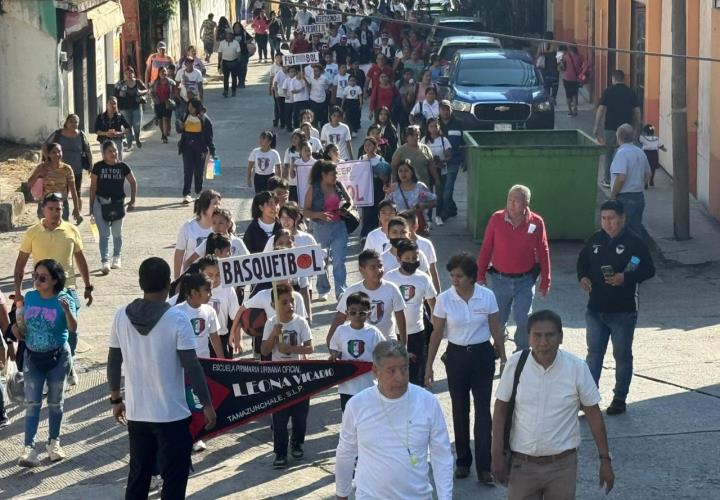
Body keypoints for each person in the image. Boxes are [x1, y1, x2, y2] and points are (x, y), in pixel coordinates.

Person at [107, 257, 216, 498]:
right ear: (169, 284)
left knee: (139, 476)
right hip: (172, 415)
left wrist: (116, 399)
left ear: (140, 282)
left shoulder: (120, 316)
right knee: (174, 478)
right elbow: (192, 366)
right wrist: (207, 404)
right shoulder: (177, 319)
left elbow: (114, 360)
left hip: (137, 414)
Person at [491, 310, 615, 497]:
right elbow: (500, 409)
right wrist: (496, 455)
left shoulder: (576, 368)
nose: (543, 342)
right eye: (537, 335)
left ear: (561, 337)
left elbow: (594, 414)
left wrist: (605, 459)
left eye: (550, 335)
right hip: (522, 466)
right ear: (528, 337)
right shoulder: (516, 364)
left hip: (562, 467)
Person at [425, 253, 507, 484]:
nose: (454, 279)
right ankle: (463, 461)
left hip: (482, 356)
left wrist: (503, 357)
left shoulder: (487, 296)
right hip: (457, 356)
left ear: (471, 277)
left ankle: (484, 467)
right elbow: (436, 333)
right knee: (459, 409)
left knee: (483, 412)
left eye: (459, 275)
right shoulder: (444, 299)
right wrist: (429, 365)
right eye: (452, 275)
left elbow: (495, 328)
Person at [335, 340, 454, 500]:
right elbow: (346, 453)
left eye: (404, 369)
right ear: (375, 371)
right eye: (391, 370)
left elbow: (441, 455)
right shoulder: (357, 405)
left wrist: (445, 497)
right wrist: (342, 494)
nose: (400, 377)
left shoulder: (428, 402)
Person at [577, 199, 655, 415]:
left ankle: (619, 398)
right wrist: (582, 278)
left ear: (622, 218)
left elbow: (648, 269)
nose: (607, 223)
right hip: (595, 310)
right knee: (593, 355)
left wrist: (625, 277)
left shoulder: (634, 243)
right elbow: (582, 263)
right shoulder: (595, 240)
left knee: (621, 356)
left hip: (623, 310)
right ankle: (589, 400)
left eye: (611, 218)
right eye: (604, 218)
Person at [14, 193, 94, 387]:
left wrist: (88, 285)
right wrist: (17, 292)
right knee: (41, 328)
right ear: (43, 209)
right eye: (51, 209)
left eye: (58, 209)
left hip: (67, 289)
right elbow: (21, 263)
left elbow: (80, 259)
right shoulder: (32, 232)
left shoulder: (71, 230)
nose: (55, 213)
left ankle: (68, 362)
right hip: (41, 290)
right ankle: (45, 368)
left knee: (72, 331)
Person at [13, 259, 77, 467]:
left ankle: (53, 443)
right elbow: (20, 326)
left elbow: (73, 328)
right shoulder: (30, 297)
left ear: (55, 280)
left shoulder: (64, 299)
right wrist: (16, 330)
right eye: (35, 276)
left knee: (56, 403)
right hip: (33, 357)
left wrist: (67, 311)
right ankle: (29, 449)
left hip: (58, 358)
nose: (37, 281)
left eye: (42, 278)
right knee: (32, 404)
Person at [476, 185, 551, 352]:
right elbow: (487, 247)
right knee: (498, 319)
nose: (512, 204)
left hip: (525, 280)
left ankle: (521, 353)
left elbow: (543, 251)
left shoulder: (536, 222)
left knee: (524, 319)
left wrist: (546, 280)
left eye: (517, 201)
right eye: (510, 199)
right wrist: (480, 274)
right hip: (500, 279)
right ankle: (497, 349)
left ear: (526, 203)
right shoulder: (496, 219)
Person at [260, 283, 314, 468]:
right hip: (279, 376)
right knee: (280, 417)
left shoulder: (300, 322)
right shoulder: (271, 323)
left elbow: (310, 347)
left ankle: (297, 442)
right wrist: (273, 336)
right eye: (284, 302)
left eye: (292, 301)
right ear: (274, 305)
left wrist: (291, 348)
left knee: (300, 415)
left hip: (298, 374)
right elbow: (264, 351)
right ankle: (280, 453)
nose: (290, 305)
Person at [384, 239, 436, 385]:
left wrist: (437, 325)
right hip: (394, 334)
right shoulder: (389, 278)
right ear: (398, 259)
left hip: (417, 333)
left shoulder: (423, 278)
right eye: (407, 259)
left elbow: (433, 303)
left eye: (414, 258)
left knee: (416, 374)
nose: (412, 261)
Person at [329, 249, 406, 345]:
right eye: (373, 267)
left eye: (380, 266)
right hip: (363, 345)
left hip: (387, 344)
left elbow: (400, 317)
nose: (378, 270)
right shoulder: (352, 291)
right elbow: (339, 318)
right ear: (361, 270)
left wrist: (404, 344)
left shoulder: (392, 288)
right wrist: (330, 342)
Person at [303, 160, 354, 300]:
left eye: (336, 173)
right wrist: (318, 215)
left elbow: (350, 201)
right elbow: (305, 212)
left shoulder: (338, 185)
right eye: (333, 174)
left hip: (339, 227)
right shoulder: (313, 189)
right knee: (320, 261)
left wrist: (346, 209)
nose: (336, 176)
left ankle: (341, 291)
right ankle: (323, 288)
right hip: (320, 228)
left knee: (339, 260)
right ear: (323, 175)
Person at [328, 291, 385, 410]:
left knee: (368, 417)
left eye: (362, 312)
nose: (357, 315)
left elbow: (384, 351)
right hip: (347, 386)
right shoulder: (341, 330)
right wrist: (334, 355)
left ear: (368, 314)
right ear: (347, 313)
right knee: (349, 416)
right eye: (353, 312)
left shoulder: (373, 332)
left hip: (368, 384)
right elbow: (335, 349)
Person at [89, 140, 137, 274]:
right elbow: (93, 188)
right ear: (103, 154)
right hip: (100, 203)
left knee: (117, 233)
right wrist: (91, 206)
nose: (113, 153)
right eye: (109, 151)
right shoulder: (98, 167)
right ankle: (105, 261)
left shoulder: (123, 166)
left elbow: (133, 182)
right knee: (104, 234)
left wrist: (132, 201)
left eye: (115, 150)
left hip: (117, 204)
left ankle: (117, 257)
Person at [593, 69, 642, 188]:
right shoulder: (631, 92)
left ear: (613, 79)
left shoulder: (608, 91)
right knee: (625, 153)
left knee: (609, 153)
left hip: (610, 127)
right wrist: (637, 127)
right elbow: (637, 111)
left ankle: (608, 179)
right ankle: (625, 178)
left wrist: (596, 126)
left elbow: (601, 109)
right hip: (626, 128)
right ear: (624, 79)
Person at [610, 123, 652, 236]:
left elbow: (621, 178)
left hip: (624, 197)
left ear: (618, 137)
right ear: (632, 136)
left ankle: (621, 253)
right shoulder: (640, 152)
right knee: (635, 232)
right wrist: (638, 183)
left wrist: (613, 196)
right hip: (639, 196)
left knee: (619, 231)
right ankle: (635, 253)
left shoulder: (621, 154)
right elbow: (648, 174)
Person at [28, 142, 81, 223]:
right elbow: (29, 184)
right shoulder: (42, 167)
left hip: (61, 205)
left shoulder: (67, 169)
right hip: (45, 205)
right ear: (48, 154)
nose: (57, 154)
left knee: (61, 232)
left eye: (59, 151)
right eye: (53, 152)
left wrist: (76, 208)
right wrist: (38, 174)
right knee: (46, 233)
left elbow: (73, 190)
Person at [174, 189, 221, 279]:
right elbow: (179, 253)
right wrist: (177, 278)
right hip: (192, 276)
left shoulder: (221, 227)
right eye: (215, 203)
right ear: (204, 206)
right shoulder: (188, 227)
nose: (218, 207)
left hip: (215, 278)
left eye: (219, 204)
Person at [43, 114, 93, 199]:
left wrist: (91, 165)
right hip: (60, 169)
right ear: (66, 123)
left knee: (77, 192)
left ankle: (77, 210)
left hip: (77, 169)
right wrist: (48, 159)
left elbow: (88, 150)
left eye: (76, 122)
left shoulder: (81, 135)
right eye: (71, 122)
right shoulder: (58, 134)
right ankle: (63, 210)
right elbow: (45, 146)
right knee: (61, 193)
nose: (73, 124)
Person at [178, 98, 215, 204]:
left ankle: (199, 193)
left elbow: (209, 136)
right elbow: (180, 130)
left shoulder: (204, 119)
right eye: (188, 106)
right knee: (188, 170)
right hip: (187, 148)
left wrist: (212, 149)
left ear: (197, 108)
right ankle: (187, 194)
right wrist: (180, 127)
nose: (189, 109)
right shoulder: (185, 116)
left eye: (192, 107)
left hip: (200, 149)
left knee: (199, 171)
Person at [359, 136, 391, 238]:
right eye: (366, 145)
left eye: (370, 145)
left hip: (377, 188)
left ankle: (378, 233)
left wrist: (377, 173)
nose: (367, 147)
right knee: (366, 212)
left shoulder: (380, 159)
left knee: (377, 210)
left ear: (375, 146)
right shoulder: (361, 158)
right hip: (366, 188)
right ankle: (365, 235)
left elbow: (385, 178)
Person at [438, 100, 464, 221]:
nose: (445, 111)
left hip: (454, 161)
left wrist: (465, 160)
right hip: (439, 163)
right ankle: (452, 208)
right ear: (439, 110)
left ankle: (444, 213)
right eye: (443, 109)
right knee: (442, 188)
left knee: (448, 187)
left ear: (451, 110)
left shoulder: (459, 124)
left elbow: (464, 143)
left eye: (447, 109)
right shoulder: (434, 124)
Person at [115, 67, 148, 151]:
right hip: (125, 108)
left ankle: (137, 138)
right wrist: (120, 94)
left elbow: (146, 90)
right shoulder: (120, 84)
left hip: (136, 107)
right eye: (126, 74)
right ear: (124, 75)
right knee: (127, 126)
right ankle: (129, 144)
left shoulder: (138, 82)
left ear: (133, 74)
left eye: (130, 73)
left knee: (137, 126)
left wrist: (141, 92)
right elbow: (115, 94)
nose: (128, 75)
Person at [94, 97, 130, 161]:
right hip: (104, 141)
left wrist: (119, 133)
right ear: (107, 104)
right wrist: (106, 133)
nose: (113, 105)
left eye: (115, 103)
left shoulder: (119, 116)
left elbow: (128, 128)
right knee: (106, 161)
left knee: (118, 161)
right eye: (111, 103)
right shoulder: (101, 117)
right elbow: (96, 130)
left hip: (117, 141)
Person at [149, 66, 176, 143]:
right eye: (161, 72)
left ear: (166, 72)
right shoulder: (155, 82)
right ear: (158, 73)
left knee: (165, 118)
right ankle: (163, 133)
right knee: (160, 120)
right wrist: (154, 98)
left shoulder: (171, 82)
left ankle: (164, 135)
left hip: (167, 103)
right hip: (158, 103)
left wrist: (172, 100)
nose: (163, 73)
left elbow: (174, 91)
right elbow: (151, 92)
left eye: (164, 71)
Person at [176, 57, 204, 122]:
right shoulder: (180, 72)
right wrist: (177, 96)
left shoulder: (197, 72)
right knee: (183, 115)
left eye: (191, 63)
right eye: (188, 63)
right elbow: (176, 85)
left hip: (194, 98)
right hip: (183, 98)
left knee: (196, 114)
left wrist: (201, 97)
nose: (190, 64)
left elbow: (200, 86)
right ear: (185, 64)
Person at [535, 31, 560, 105]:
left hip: (545, 68)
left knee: (546, 85)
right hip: (554, 68)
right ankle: (553, 98)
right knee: (555, 84)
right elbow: (559, 56)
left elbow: (537, 55)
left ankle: (548, 98)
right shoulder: (556, 45)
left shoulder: (541, 45)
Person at [559, 45, 583, 117]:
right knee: (574, 94)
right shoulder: (580, 56)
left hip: (567, 79)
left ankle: (570, 111)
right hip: (575, 79)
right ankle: (575, 110)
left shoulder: (565, 56)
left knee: (568, 95)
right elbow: (583, 67)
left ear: (570, 49)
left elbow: (562, 68)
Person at [639, 123, 666, 187]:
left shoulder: (643, 138)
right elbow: (661, 146)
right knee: (653, 168)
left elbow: (638, 138)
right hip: (654, 154)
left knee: (645, 168)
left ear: (645, 131)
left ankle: (646, 182)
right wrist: (664, 149)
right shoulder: (656, 138)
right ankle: (651, 180)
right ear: (653, 131)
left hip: (646, 154)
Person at [232, 21, 254, 88]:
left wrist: (245, 42)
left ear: (240, 28)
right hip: (234, 54)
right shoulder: (232, 35)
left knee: (243, 68)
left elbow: (251, 38)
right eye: (235, 27)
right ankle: (238, 82)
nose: (237, 28)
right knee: (236, 69)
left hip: (244, 53)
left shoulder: (244, 33)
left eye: (238, 27)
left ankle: (242, 82)